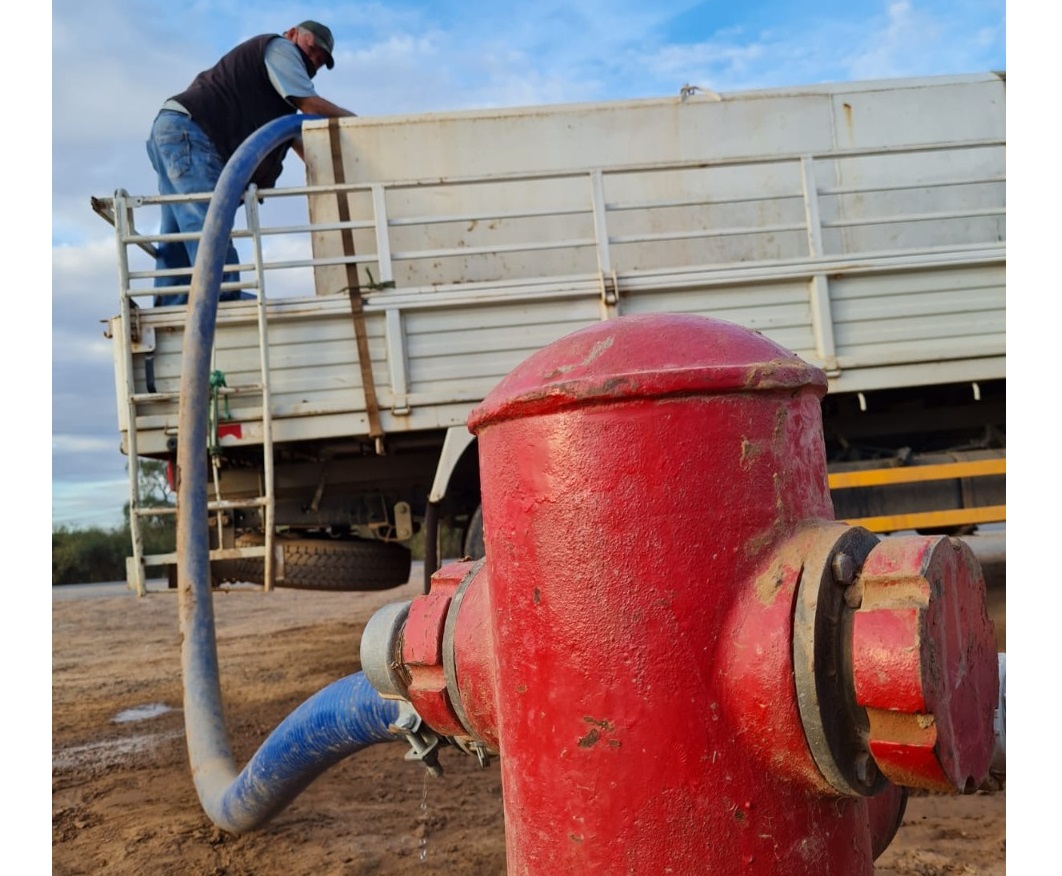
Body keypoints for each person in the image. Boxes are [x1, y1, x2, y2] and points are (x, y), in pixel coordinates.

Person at [146, 21, 357, 306]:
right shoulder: (279, 48)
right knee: (207, 218)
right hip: (190, 132)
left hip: (175, 131)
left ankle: (170, 305)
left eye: (321, 60)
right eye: (313, 49)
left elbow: (301, 144)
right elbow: (312, 107)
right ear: (293, 33)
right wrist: (362, 126)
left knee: (180, 231)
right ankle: (224, 297)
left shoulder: (278, 99)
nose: (314, 60)